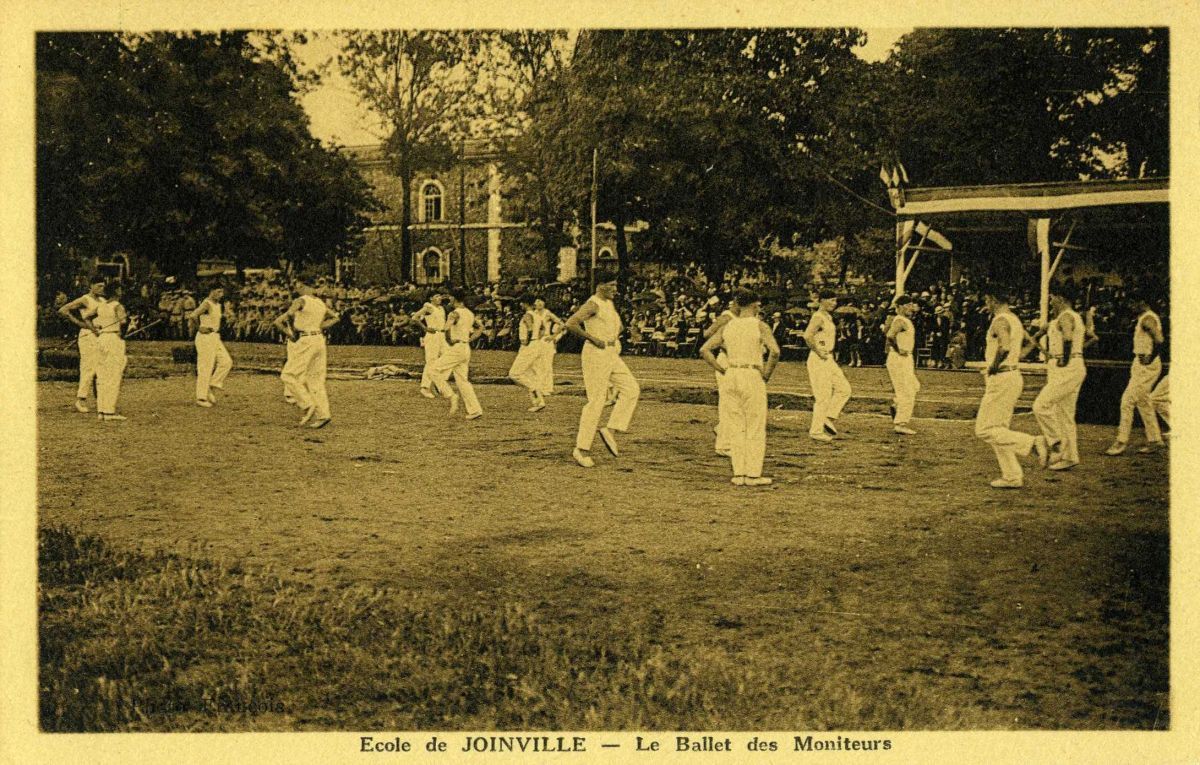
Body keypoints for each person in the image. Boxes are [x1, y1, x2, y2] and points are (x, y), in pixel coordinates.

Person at [699, 288, 781, 486]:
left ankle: (739, 474)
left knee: (735, 425)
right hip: (751, 373)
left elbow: (705, 349)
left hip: (731, 373)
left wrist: (721, 369)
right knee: (754, 425)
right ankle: (753, 474)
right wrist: (766, 374)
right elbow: (775, 351)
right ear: (755, 305)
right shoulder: (760, 325)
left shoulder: (729, 325)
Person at [975, 288, 1048, 488]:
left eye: (987, 299)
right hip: (1012, 375)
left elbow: (1005, 347)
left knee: (984, 429)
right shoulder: (1015, 320)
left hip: (1002, 377)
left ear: (993, 299)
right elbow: (1024, 350)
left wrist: (993, 365)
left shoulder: (999, 321)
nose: (986, 304)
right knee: (999, 430)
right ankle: (1012, 475)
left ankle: (1032, 443)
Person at [564, 275, 641, 468]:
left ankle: (611, 430)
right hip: (595, 354)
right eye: (612, 285)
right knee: (596, 401)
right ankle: (581, 449)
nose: (615, 289)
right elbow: (571, 323)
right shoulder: (593, 304)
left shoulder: (609, 303)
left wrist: (619, 334)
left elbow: (617, 327)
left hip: (611, 353)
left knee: (631, 389)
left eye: (616, 285)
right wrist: (593, 338)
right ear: (600, 286)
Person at [1031, 287, 1088, 470]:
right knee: (1065, 414)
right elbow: (1037, 337)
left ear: (1061, 299)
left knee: (1041, 405)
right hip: (1070, 364)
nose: (1051, 301)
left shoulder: (1066, 316)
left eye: (1053, 298)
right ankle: (1070, 456)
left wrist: (1063, 358)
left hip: (1067, 366)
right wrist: (1049, 353)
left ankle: (1056, 441)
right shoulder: (1067, 318)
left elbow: (1068, 338)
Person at [274, 278, 340, 429]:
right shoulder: (319, 302)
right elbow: (335, 318)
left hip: (306, 339)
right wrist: (319, 327)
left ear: (300, 284)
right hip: (318, 339)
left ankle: (306, 404)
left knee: (288, 375)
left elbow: (289, 315)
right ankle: (323, 414)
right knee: (315, 379)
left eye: (296, 285)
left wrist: (291, 332)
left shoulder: (300, 300)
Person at [1106, 295, 1166, 455]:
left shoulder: (1147, 319)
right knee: (1143, 402)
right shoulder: (1145, 318)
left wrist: (1150, 357)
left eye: (1133, 302)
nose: (1131, 306)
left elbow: (1160, 340)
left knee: (1127, 401)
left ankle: (1121, 441)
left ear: (1143, 302)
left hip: (1146, 365)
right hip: (1141, 364)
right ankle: (1155, 440)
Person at [803, 289, 852, 443]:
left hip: (828, 358)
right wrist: (818, 351)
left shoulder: (828, 317)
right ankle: (816, 431)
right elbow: (807, 336)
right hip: (819, 358)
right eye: (831, 300)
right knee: (823, 396)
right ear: (822, 300)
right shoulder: (818, 317)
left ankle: (828, 417)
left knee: (844, 389)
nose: (834, 303)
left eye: (835, 300)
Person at [428, 290, 484, 420]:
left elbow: (445, 328)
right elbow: (480, 328)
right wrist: (469, 340)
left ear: (454, 298)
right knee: (462, 381)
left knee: (432, 370)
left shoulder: (454, 313)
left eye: (451, 298)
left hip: (457, 348)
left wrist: (437, 331)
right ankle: (475, 410)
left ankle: (451, 395)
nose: (449, 300)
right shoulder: (469, 313)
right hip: (465, 348)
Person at [57, 277, 107, 413]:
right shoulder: (85, 299)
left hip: (101, 334)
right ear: (91, 286)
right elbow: (63, 310)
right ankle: (81, 400)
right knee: (88, 367)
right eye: (99, 286)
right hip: (88, 335)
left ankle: (101, 400)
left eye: (103, 286)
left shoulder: (103, 300)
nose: (101, 289)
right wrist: (79, 323)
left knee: (102, 367)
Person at [703, 295, 739, 456]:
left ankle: (722, 428)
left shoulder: (742, 318)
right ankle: (724, 443)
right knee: (728, 401)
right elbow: (707, 333)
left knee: (736, 400)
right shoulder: (727, 317)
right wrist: (724, 344)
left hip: (737, 359)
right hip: (726, 360)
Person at [189, 284, 234, 408]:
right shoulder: (207, 303)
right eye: (218, 292)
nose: (221, 295)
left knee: (226, 362)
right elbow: (193, 315)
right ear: (212, 291)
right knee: (205, 366)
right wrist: (199, 328)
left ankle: (212, 385)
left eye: (222, 292)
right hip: (205, 337)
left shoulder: (218, 305)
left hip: (215, 336)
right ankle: (201, 397)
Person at [885, 295, 921, 435]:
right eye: (907, 305)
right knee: (907, 391)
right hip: (900, 358)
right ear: (899, 307)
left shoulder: (904, 320)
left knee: (914, 386)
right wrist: (898, 349)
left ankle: (897, 404)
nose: (910, 308)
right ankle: (900, 423)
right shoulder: (900, 320)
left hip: (904, 358)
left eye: (911, 305)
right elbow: (890, 335)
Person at [93, 283, 129, 422]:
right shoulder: (117, 305)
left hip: (101, 338)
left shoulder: (101, 306)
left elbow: (88, 317)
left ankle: (101, 411)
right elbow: (123, 321)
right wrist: (122, 333)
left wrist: (95, 329)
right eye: (120, 289)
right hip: (113, 338)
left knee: (102, 376)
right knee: (113, 375)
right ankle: (109, 411)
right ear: (116, 291)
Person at [412, 292, 447, 398]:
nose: (439, 298)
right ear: (431, 298)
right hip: (432, 335)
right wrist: (425, 328)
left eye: (440, 296)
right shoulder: (428, 307)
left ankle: (437, 382)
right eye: (436, 296)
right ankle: (425, 387)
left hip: (442, 336)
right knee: (431, 361)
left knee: (447, 359)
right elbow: (415, 317)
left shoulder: (441, 308)